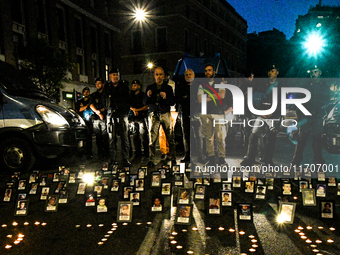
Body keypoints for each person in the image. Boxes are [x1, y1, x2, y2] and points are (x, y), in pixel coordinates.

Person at [241, 64, 281, 166]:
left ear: (277, 72)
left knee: (271, 139)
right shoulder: (263, 85)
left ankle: (267, 160)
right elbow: (258, 99)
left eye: (273, 71)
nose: (270, 73)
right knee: (253, 135)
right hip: (262, 114)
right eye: (269, 71)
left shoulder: (280, 86)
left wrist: (274, 112)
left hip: (274, 115)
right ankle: (250, 159)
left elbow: (281, 101)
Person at [291, 65, 330, 166]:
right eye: (312, 72)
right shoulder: (305, 84)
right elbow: (298, 99)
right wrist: (300, 115)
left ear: (320, 72)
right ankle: (296, 160)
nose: (313, 74)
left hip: (317, 116)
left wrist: (323, 111)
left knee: (317, 139)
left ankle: (318, 160)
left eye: (316, 71)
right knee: (301, 139)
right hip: (306, 115)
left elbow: (327, 99)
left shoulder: (323, 84)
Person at [145, 67, 176, 167]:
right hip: (154, 114)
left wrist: (166, 97)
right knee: (152, 139)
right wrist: (148, 96)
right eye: (157, 74)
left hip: (165, 113)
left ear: (163, 76)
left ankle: (172, 157)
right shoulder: (150, 87)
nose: (158, 77)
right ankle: (151, 159)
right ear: (154, 76)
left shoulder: (168, 88)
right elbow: (145, 102)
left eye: (160, 74)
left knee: (170, 136)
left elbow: (172, 102)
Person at [198, 64, 227, 166]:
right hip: (205, 113)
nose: (208, 72)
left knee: (220, 137)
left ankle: (221, 159)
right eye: (206, 71)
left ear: (214, 72)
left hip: (218, 113)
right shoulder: (202, 84)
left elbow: (222, 95)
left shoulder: (221, 82)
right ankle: (211, 159)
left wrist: (207, 96)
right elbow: (200, 100)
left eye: (210, 70)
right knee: (208, 137)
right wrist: (215, 95)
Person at [106, 68, 131, 165]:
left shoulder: (124, 86)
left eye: (117, 74)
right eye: (113, 75)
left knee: (124, 138)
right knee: (112, 138)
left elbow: (128, 100)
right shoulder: (107, 87)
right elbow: (105, 101)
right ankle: (113, 159)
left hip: (122, 114)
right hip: (111, 115)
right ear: (110, 76)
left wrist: (124, 110)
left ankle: (125, 158)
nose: (115, 77)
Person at [176, 69, 195, 162]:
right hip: (185, 114)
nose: (188, 76)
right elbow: (179, 99)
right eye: (186, 75)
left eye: (190, 74)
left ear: (193, 76)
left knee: (198, 135)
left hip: (196, 114)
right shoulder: (181, 87)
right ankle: (187, 154)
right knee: (186, 135)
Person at [89, 78, 110, 160]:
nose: (98, 85)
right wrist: (98, 112)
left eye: (99, 83)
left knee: (105, 136)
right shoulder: (94, 95)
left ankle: (107, 153)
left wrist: (101, 112)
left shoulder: (106, 94)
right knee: (98, 137)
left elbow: (107, 106)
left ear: (103, 84)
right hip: (96, 118)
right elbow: (91, 105)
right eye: (96, 84)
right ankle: (100, 153)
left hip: (105, 118)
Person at [129, 79, 149, 159]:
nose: (134, 87)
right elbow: (128, 104)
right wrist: (134, 110)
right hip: (134, 118)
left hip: (142, 116)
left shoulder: (143, 95)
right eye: (133, 85)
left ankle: (146, 152)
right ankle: (138, 152)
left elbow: (146, 106)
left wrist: (137, 110)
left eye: (135, 85)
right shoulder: (131, 95)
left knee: (143, 135)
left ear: (139, 86)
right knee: (135, 135)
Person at [76, 86, 93, 159]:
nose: (86, 93)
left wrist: (84, 107)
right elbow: (78, 109)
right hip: (82, 121)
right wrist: (85, 106)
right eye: (85, 92)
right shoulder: (80, 101)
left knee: (89, 138)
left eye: (87, 92)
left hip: (90, 121)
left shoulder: (91, 100)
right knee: (82, 137)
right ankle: (81, 152)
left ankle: (89, 153)